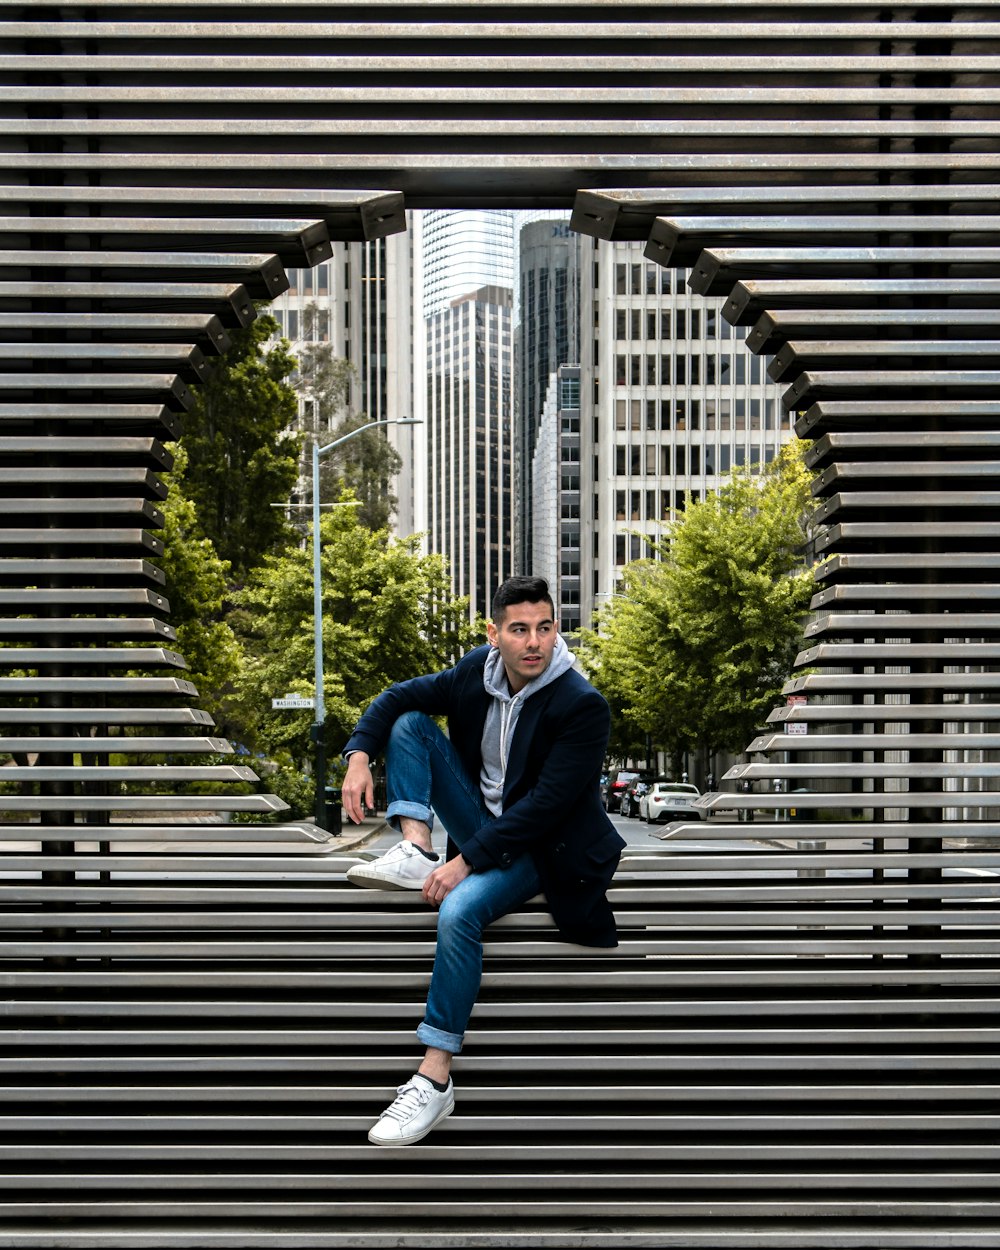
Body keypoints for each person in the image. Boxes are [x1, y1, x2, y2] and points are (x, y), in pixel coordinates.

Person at [340, 574, 625, 1146]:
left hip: (546, 848)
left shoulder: (581, 704)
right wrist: (358, 754)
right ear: (494, 634)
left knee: (458, 913)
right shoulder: (476, 672)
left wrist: (465, 861)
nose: (534, 643)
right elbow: (396, 696)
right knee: (409, 725)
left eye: (544, 628)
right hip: (484, 829)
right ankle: (416, 848)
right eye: (519, 630)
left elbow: (546, 810)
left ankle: (434, 1077)